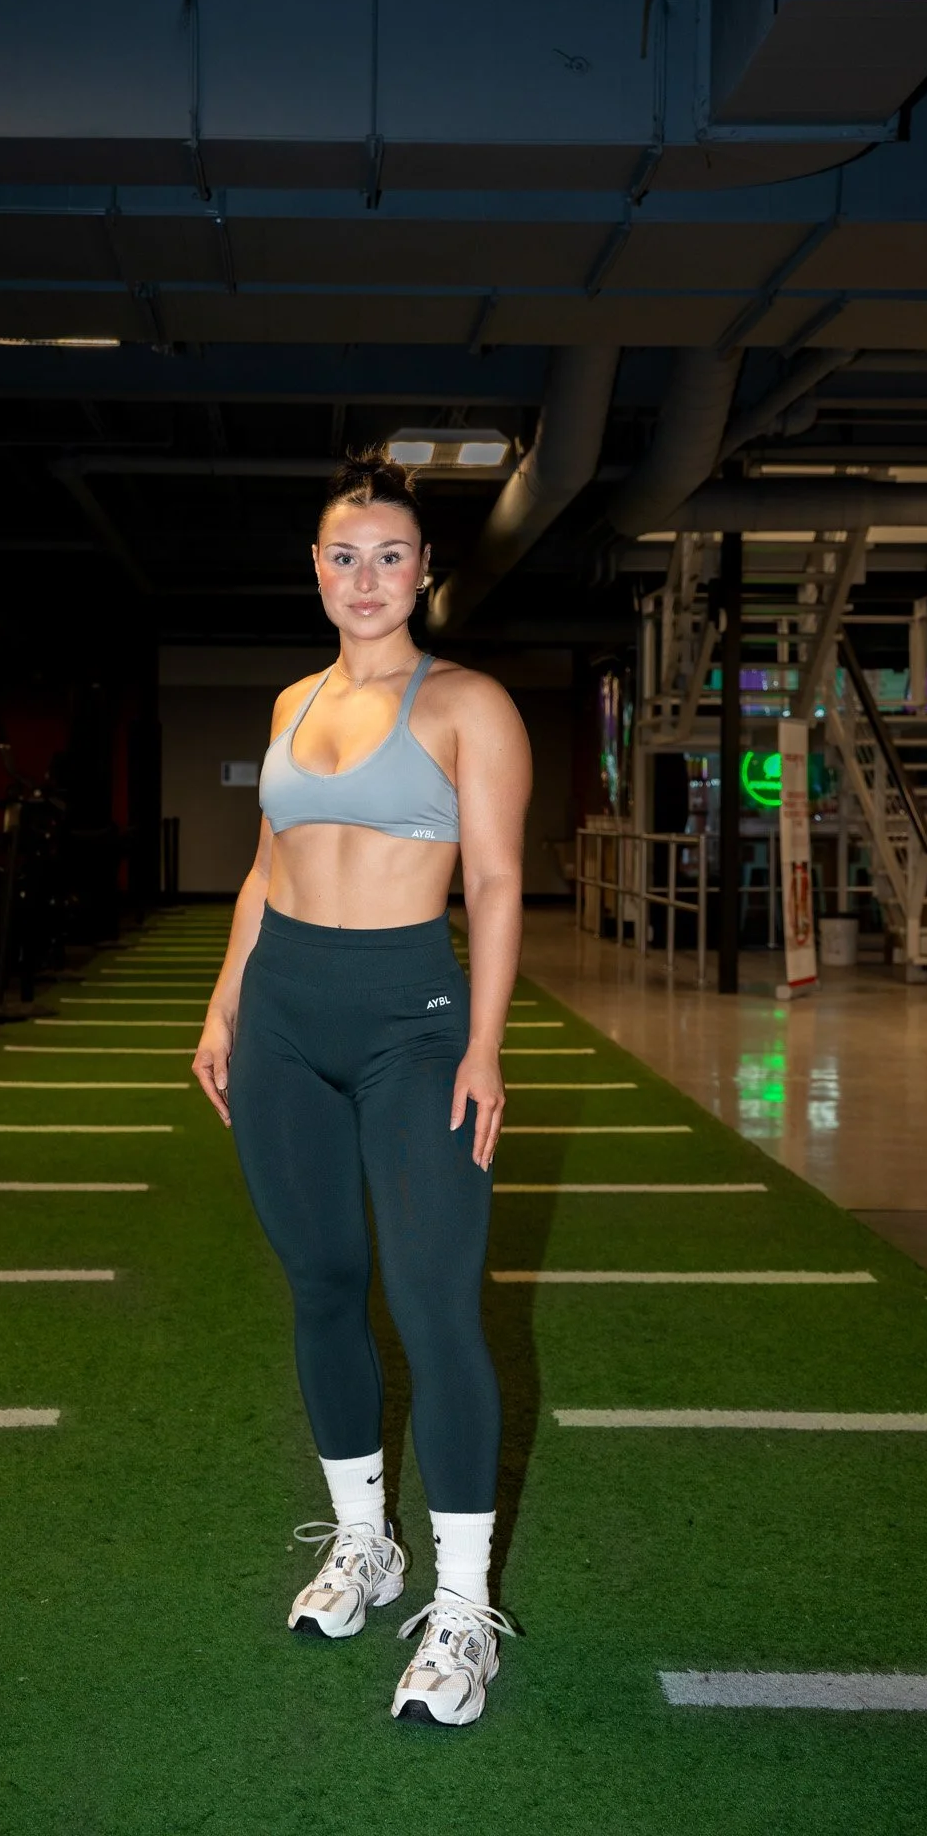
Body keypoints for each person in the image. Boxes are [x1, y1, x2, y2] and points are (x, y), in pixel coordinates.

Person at [193, 457, 531, 1728]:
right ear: (318, 571)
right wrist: (226, 1000)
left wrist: (482, 1045)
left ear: (425, 569)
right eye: (346, 555)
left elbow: (494, 884)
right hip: (282, 1012)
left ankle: (460, 1601)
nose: (368, 576)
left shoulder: (470, 705)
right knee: (325, 1281)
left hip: (411, 1022)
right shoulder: (292, 697)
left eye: (392, 553)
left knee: (437, 1307)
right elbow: (262, 866)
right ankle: (361, 1540)